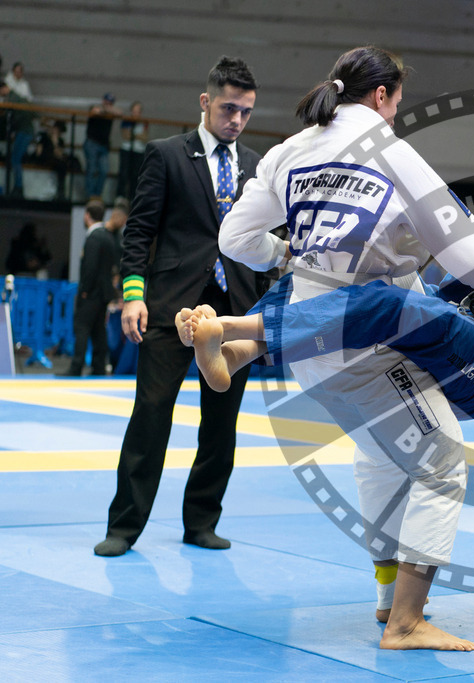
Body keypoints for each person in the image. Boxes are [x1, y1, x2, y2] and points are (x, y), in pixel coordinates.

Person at [214, 46, 474, 652]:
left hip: (304, 335)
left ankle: (387, 595)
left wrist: (287, 255)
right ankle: (406, 622)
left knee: (380, 457)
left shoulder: (291, 150)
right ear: (384, 96)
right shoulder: (392, 152)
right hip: (364, 341)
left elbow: (234, 237)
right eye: (397, 100)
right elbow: (464, 245)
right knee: (441, 463)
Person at [176, 225, 474, 432]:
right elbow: (449, 292)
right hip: (465, 337)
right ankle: (237, 354)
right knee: (341, 272)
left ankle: (229, 325)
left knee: (395, 306)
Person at [93, 57, 264, 559]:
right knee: (150, 413)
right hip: (170, 306)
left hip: (234, 309)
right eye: (229, 108)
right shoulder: (166, 155)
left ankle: (202, 520)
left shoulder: (256, 165)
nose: (236, 119)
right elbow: (139, 231)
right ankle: (124, 526)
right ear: (206, 102)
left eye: (246, 112)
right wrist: (132, 294)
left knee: (222, 421)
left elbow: (262, 238)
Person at [64, 199, 119, 376]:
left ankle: (76, 366)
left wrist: (84, 291)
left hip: (92, 292)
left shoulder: (94, 237)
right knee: (98, 330)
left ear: (87, 216)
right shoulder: (108, 236)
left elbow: (90, 267)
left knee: (81, 327)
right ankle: (99, 367)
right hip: (103, 293)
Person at [84, 93, 122, 199]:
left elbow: (119, 112)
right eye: (107, 101)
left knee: (104, 170)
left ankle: (97, 194)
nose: (108, 104)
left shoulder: (110, 112)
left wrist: (107, 110)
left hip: (104, 145)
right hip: (92, 143)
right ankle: (90, 195)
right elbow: (94, 111)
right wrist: (106, 110)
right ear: (103, 101)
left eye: (110, 102)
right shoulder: (96, 109)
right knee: (91, 169)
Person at [117, 101, 148, 199]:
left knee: (136, 175)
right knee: (124, 174)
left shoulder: (144, 122)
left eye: (138, 111)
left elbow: (145, 137)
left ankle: (132, 197)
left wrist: (133, 135)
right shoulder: (126, 121)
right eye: (134, 111)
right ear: (131, 111)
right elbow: (126, 136)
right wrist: (138, 136)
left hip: (138, 151)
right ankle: (120, 197)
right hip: (126, 150)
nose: (136, 114)